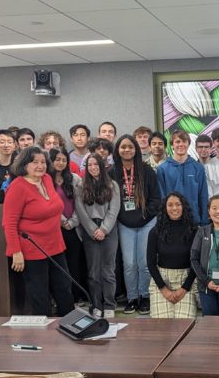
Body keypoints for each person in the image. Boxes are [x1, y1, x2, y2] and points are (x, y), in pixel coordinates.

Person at [2, 146, 74, 316]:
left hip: (55, 245)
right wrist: (16, 252)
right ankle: (44, 336)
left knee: (64, 288)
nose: (40, 166)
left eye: (43, 162)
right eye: (35, 162)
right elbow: (9, 223)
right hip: (32, 249)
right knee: (39, 295)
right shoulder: (17, 187)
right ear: (24, 164)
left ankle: (71, 327)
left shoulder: (47, 179)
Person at [111, 135, 161, 315]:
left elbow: (156, 199)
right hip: (124, 223)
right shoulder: (112, 172)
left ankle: (145, 296)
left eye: (130, 147)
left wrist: (144, 217)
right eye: (123, 147)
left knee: (144, 262)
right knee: (129, 263)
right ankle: (132, 297)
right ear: (117, 149)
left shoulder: (147, 171)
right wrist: (123, 218)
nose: (127, 150)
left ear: (136, 150)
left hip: (147, 222)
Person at [74, 154, 120, 319]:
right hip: (89, 231)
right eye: (90, 165)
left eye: (96, 164)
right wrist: (93, 230)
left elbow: (114, 210)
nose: (93, 167)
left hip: (109, 230)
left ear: (102, 166)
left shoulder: (112, 185)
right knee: (93, 271)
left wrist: (104, 229)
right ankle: (96, 304)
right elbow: (80, 211)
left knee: (108, 270)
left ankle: (109, 304)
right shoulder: (80, 186)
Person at [147, 193, 199, 319]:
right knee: (161, 326)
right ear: (165, 208)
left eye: (178, 204)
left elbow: (196, 263)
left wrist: (184, 288)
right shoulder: (155, 232)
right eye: (170, 205)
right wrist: (163, 289)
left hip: (186, 282)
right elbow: (150, 263)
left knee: (184, 323)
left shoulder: (194, 230)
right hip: (162, 281)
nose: (174, 208)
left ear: (184, 207)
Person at [48, 147, 85, 305]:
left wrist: (72, 221)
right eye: (57, 159)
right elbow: (48, 203)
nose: (61, 162)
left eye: (64, 160)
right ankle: (59, 299)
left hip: (73, 228)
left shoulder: (75, 179)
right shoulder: (45, 180)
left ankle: (75, 298)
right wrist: (62, 221)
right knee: (57, 266)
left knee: (74, 265)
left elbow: (80, 204)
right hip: (55, 228)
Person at [157, 130, 209, 224]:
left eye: (184, 141)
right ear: (172, 145)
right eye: (177, 142)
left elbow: (203, 196)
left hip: (194, 220)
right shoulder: (162, 169)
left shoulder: (198, 168)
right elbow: (162, 198)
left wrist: (204, 221)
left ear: (188, 144)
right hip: (171, 221)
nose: (181, 144)